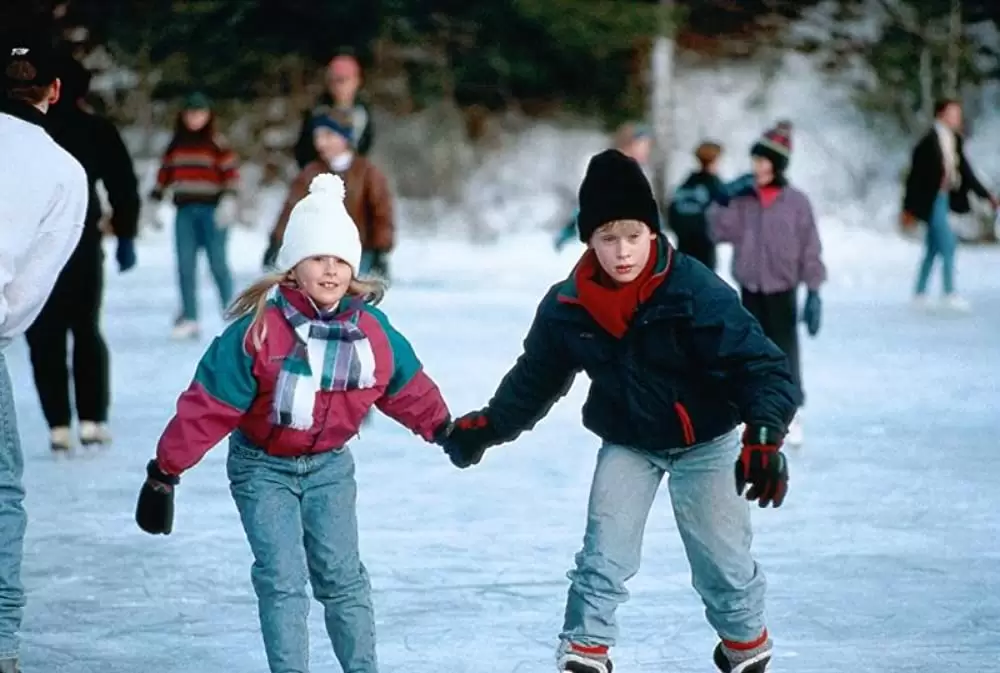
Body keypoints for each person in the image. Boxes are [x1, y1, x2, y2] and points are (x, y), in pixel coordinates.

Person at [441, 149, 798, 673]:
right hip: (631, 442)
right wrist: (491, 425)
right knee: (603, 552)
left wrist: (763, 434)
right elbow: (536, 378)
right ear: (589, 241)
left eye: (634, 236)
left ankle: (744, 645)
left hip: (707, 442)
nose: (623, 251)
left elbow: (760, 365)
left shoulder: (693, 289)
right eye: (608, 239)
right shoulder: (568, 305)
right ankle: (586, 650)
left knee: (722, 563)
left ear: (652, 233)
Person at [135, 174, 451, 673]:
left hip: (329, 468)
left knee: (342, 578)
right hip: (263, 468)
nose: (331, 269)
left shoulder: (370, 332)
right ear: (293, 267)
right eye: (318, 258)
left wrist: (446, 430)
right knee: (282, 578)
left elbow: (406, 387)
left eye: (341, 259)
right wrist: (165, 470)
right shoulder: (260, 330)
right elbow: (208, 405)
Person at [0, 41, 88, 673]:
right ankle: (2, 639)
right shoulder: (63, 172)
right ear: (53, 90)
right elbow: (31, 288)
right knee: (2, 491)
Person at [25, 51, 140, 453]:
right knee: (84, 327)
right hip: (79, 240)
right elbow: (122, 184)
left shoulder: (22, 131)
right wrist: (125, 233)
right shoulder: (95, 128)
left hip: (34, 243)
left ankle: (59, 422)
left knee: (44, 333)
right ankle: (91, 419)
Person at [710, 121, 825, 447]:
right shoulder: (744, 201)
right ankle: (752, 413)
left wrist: (814, 290)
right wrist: (722, 201)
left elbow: (810, 247)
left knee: (784, 353)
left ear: (777, 165)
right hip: (750, 288)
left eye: (764, 161)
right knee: (749, 354)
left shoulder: (797, 203)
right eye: (755, 161)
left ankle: (792, 412)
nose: (757, 167)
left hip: (782, 290)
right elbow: (718, 232)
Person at [150, 92, 240, 340]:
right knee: (185, 265)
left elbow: (231, 175)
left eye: (200, 114)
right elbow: (164, 175)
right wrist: (154, 201)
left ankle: (232, 311)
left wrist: (229, 199)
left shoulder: (217, 144)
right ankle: (190, 316)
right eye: (190, 113)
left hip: (213, 211)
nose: (194, 119)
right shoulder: (175, 145)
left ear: (208, 116)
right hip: (185, 212)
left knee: (218, 263)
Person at [266, 110, 393, 278]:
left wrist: (381, 249)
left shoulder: (367, 173)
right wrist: (276, 241)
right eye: (317, 137)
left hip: (360, 252)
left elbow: (382, 212)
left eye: (328, 136)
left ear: (344, 137)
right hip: (319, 250)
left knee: (353, 299)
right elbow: (292, 209)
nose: (320, 143)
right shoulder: (311, 172)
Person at [902, 98, 998, 311]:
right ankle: (949, 292)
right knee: (948, 244)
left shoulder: (954, 140)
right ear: (941, 114)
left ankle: (919, 293)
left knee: (933, 248)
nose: (957, 118)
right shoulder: (928, 142)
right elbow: (914, 178)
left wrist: (987, 195)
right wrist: (907, 209)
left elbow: (966, 172)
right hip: (931, 199)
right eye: (953, 113)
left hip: (945, 198)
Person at [554, 122, 654, 251]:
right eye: (643, 145)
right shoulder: (612, 171)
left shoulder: (634, 172)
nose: (646, 150)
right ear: (630, 144)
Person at [667, 141, 754, 271]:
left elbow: (671, 215)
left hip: (683, 253)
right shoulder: (714, 186)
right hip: (704, 253)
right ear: (715, 161)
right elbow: (728, 201)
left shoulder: (683, 187)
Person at [293, 53, 374, 168]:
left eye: (343, 81)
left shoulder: (363, 113)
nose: (337, 87)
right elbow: (304, 150)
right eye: (332, 81)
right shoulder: (318, 112)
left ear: (356, 81)